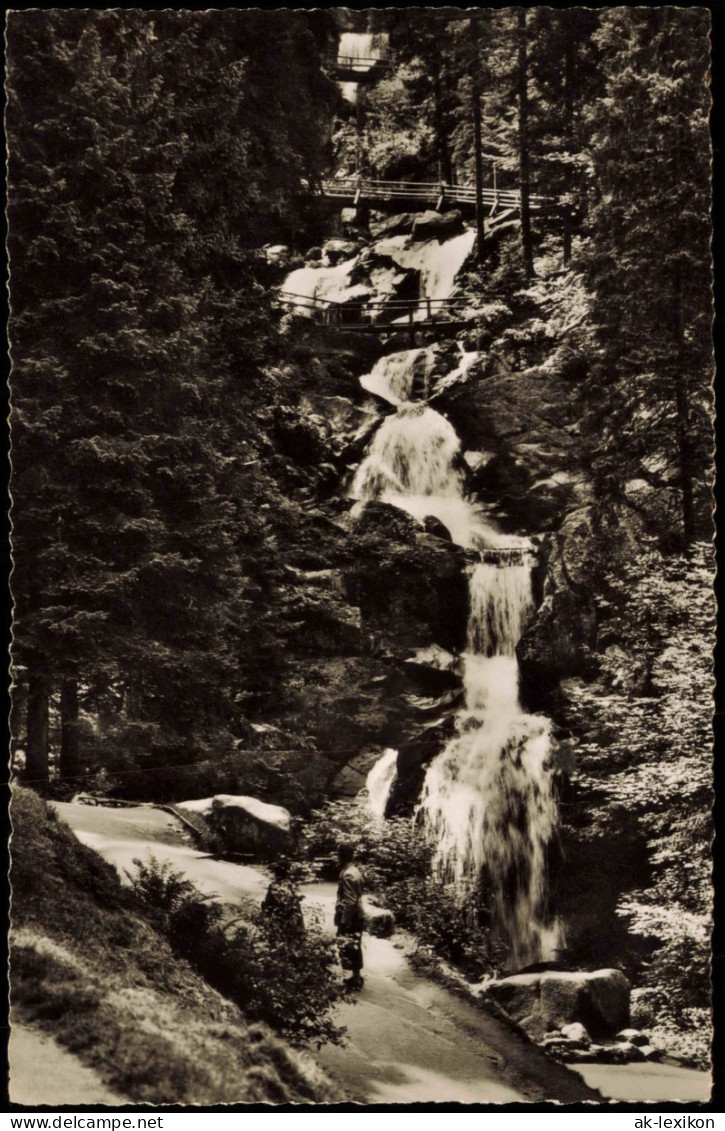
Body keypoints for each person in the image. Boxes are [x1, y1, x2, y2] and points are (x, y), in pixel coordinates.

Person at [334, 841, 365, 991]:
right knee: (354, 946)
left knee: (350, 946)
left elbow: (350, 901)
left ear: (342, 856)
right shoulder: (354, 870)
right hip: (356, 915)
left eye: (338, 854)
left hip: (352, 917)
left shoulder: (348, 874)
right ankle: (356, 976)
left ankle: (356, 979)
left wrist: (344, 921)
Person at [261, 857, 305, 937]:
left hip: (279, 919)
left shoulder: (274, 886)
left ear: (276, 873)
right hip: (293, 919)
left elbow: (268, 904)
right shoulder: (291, 885)